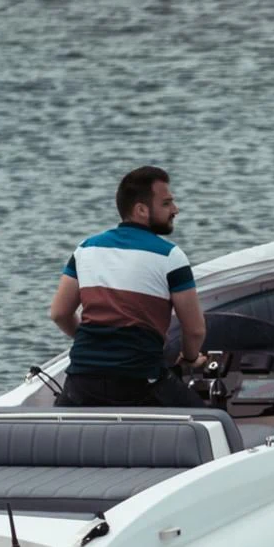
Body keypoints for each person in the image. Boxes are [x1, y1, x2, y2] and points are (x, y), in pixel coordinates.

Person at [48, 166, 207, 407]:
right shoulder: (171, 256)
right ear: (141, 210)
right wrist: (191, 358)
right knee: (213, 420)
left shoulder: (85, 249)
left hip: (82, 380)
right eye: (166, 203)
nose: (175, 209)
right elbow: (194, 330)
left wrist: (95, 345)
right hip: (140, 382)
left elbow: (59, 313)